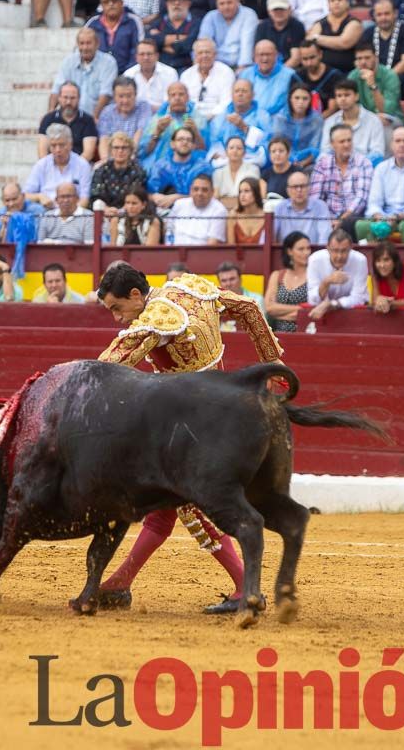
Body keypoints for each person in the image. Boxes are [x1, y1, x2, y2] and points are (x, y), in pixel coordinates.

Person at [93, 261, 282, 614]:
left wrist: (79, 386)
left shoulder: (157, 317)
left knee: (192, 507)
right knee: (162, 509)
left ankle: (246, 587)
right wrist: (274, 364)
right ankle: (120, 583)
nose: (118, 319)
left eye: (117, 309)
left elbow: (114, 362)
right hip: (219, 412)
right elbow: (250, 307)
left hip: (190, 427)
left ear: (136, 295)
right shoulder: (188, 287)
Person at [361, 127, 404, 244]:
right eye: (398, 141)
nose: (402, 145)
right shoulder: (381, 168)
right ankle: (372, 261)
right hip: (385, 215)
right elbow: (374, 202)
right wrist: (379, 216)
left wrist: (397, 216)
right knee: (361, 225)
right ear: (391, 145)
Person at [310, 124, 371, 236]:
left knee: (349, 223)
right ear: (332, 144)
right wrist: (328, 220)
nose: (347, 145)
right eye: (342, 141)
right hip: (327, 218)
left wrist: (342, 220)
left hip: (354, 217)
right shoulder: (322, 164)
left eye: (349, 140)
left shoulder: (364, 162)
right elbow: (316, 198)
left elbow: (362, 198)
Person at [53, 28, 117, 120]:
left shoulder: (108, 62)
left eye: (88, 43)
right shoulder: (68, 61)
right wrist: (50, 116)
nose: (85, 48)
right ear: (77, 45)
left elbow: (106, 94)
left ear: (97, 44)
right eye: (82, 43)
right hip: (72, 118)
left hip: (99, 118)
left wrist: (93, 118)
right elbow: (56, 90)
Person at [24, 123, 93, 208]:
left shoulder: (82, 165)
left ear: (70, 144)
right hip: (46, 212)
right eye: (53, 145)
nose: (58, 150)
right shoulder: (41, 165)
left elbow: (85, 198)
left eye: (62, 145)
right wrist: (39, 196)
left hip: (74, 214)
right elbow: (25, 195)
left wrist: (72, 214)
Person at [306, 228, 368, 319]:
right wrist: (326, 282)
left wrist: (332, 304)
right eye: (335, 250)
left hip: (352, 315)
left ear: (351, 248)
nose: (339, 256)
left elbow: (359, 297)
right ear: (327, 248)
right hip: (319, 314)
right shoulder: (315, 260)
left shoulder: (360, 260)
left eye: (344, 251)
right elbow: (312, 298)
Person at [208, 78, 270, 166]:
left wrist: (245, 128)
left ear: (253, 95)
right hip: (226, 161)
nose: (240, 94)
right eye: (237, 91)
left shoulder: (263, 116)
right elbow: (214, 141)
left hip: (253, 161)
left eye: (244, 91)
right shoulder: (221, 117)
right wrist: (221, 153)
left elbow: (267, 143)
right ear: (232, 95)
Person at [147, 126, 211, 209]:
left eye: (189, 140)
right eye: (180, 139)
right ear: (172, 144)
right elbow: (147, 194)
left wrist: (176, 198)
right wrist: (153, 197)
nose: (185, 142)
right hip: (161, 211)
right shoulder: (160, 166)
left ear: (193, 145)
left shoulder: (202, 167)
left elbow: (206, 196)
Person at [365, 0, 404, 90]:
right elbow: (362, 59)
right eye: (379, 15)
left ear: (395, 13)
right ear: (374, 16)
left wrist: (385, 79)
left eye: (387, 14)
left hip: (401, 76)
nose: (383, 18)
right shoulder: (368, 33)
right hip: (374, 76)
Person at [306, 0, 361, 77]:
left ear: (347, 3)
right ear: (328, 4)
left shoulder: (354, 23)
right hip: (322, 74)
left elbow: (344, 42)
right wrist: (315, 38)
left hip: (347, 73)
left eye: (340, 0)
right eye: (332, 0)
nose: (336, 3)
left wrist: (317, 38)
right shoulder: (319, 24)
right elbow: (309, 42)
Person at [89, 130, 146, 215]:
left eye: (124, 148)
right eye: (116, 147)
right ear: (110, 150)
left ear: (130, 150)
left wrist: (120, 212)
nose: (120, 151)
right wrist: (106, 209)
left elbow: (136, 197)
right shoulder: (101, 170)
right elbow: (95, 196)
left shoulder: (138, 171)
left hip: (129, 214)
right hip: (104, 213)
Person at [39, 82, 99, 161]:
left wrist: (72, 169)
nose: (68, 102)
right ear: (59, 98)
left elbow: (88, 153)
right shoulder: (48, 119)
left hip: (79, 168)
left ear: (79, 99)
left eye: (72, 98)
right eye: (65, 97)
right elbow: (42, 152)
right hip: (52, 167)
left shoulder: (87, 120)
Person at [148, 0, 200, 74]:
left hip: (187, 69)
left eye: (181, 0)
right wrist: (180, 38)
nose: (176, 3)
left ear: (189, 3)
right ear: (167, 4)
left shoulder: (196, 23)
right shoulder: (158, 23)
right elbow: (150, 42)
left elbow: (188, 46)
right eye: (172, 0)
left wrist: (162, 43)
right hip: (161, 69)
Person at [88, 0, 142, 74]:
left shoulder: (133, 21)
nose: (111, 4)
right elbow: (83, 48)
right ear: (101, 5)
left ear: (122, 2)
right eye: (106, 2)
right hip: (98, 74)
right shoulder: (93, 23)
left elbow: (138, 49)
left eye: (114, 0)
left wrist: (127, 74)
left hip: (126, 75)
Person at [265, 230, 311, 331]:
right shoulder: (277, 275)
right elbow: (269, 308)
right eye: (301, 249)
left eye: (308, 248)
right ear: (289, 251)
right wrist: (301, 309)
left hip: (304, 333)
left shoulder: (313, 276)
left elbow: (311, 312)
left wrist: (278, 313)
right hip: (277, 336)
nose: (306, 252)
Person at [239, 39, 297, 116]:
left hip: (280, 122)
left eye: (268, 54)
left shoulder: (290, 75)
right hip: (249, 120)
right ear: (254, 56)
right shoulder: (245, 74)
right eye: (261, 55)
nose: (265, 59)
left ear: (276, 55)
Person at [97, 77, 152, 159]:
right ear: (114, 97)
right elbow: (104, 139)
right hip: (113, 158)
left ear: (135, 95)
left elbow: (140, 132)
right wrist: (106, 161)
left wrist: (128, 159)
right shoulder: (107, 111)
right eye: (121, 96)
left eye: (129, 96)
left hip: (137, 156)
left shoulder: (143, 107)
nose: (125, 100)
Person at [168, 173, 227, 245]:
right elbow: (169, 230)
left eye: (204, 190)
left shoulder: (219, 211)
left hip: (201, 254)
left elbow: (212, 246)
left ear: (212, 192)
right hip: (175, 252)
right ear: (190, 191)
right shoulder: (179, 204)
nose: (199, 193)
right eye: (196, 189)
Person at [254, 0, 304, 70]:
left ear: (289, 9)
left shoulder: (297, 26)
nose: (279, 12)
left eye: (282, 9)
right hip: (265, 68)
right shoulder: (262, 27)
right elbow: (258, 55)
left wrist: (279, 73)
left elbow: (296, 58)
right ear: (269, 11)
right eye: (275, 9)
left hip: (290, 70)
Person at [122, 41, 176, 111]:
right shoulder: (128, 75)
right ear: (136, 57)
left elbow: (173, 102)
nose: (146, 57)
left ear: (157, 56)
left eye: (149, 54)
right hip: (136, 118)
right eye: (142, 54)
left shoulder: (170, 73)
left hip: (164, 116)